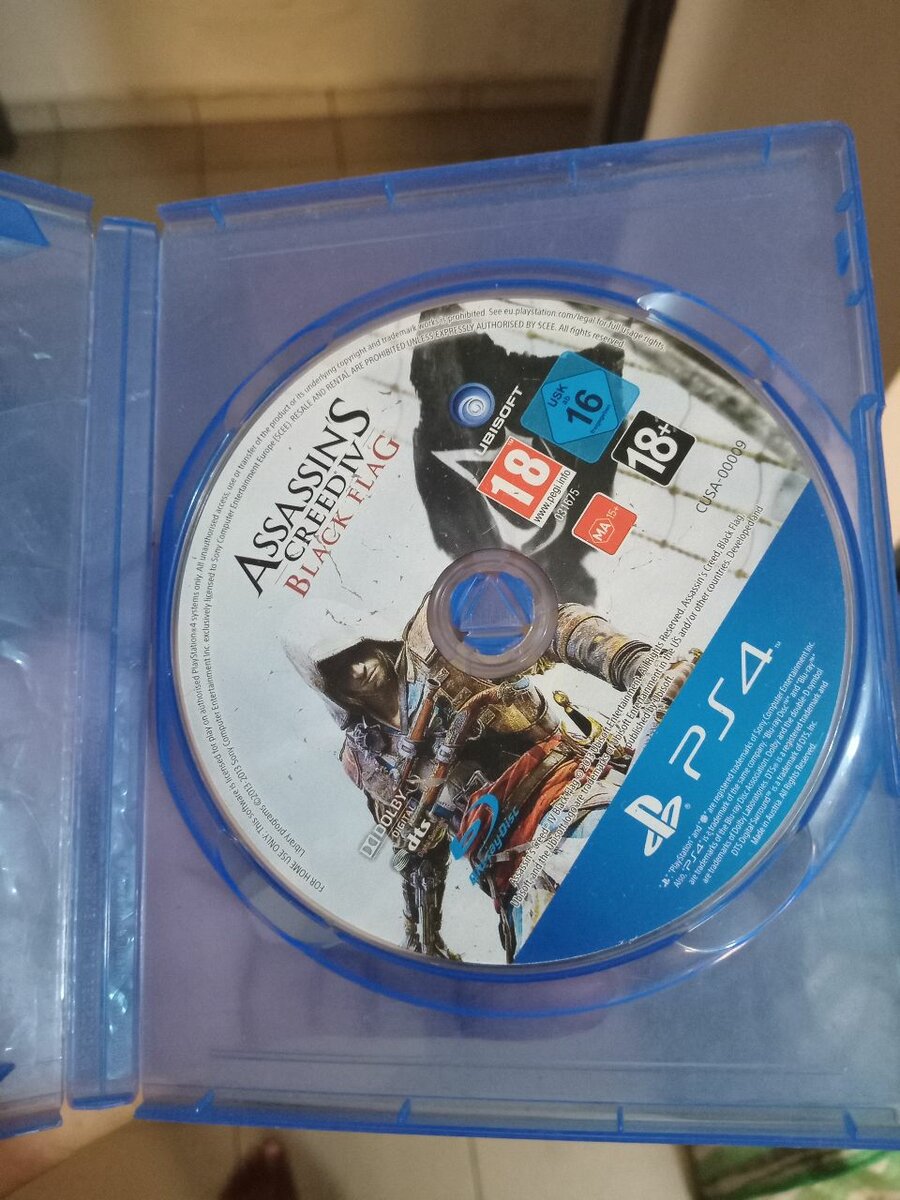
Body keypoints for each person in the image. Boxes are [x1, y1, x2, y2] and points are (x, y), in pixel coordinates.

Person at [289, 596, 692, 963]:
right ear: (333, 689)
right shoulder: (367, 761)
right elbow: (418, 854)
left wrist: (636, 666)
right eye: (340, 670)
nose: (358, 669)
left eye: (358, 653)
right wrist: (424, 941)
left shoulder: (440, 647)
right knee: (543, 964)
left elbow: (549, 628)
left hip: (569, 793)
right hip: (507, 873)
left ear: (373, 642)